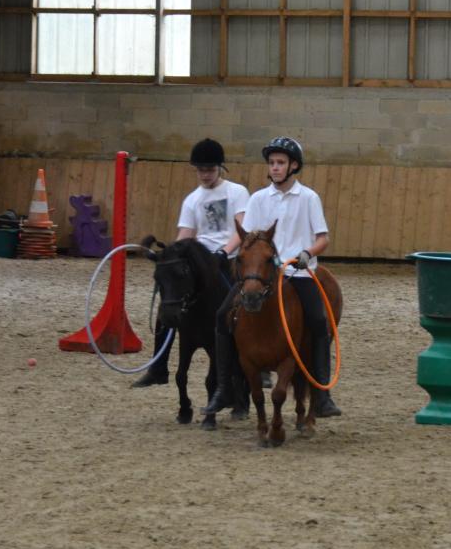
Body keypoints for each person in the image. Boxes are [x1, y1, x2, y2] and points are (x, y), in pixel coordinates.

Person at [204, 136, 341, 418]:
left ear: (293, 166)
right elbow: (248, 237)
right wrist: (232, 255)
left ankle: (323, 395)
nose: (275, 168)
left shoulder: (308, 198)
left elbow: (323, 238)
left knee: (318, 321)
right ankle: (225, 389)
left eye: (280, 163)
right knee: (221, 317)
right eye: (272, 163)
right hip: (263, 272)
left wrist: (307, 253)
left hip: (298, 271)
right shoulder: (258, 199)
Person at [133, 137, 249, 388]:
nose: (205, 175)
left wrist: (223, 252)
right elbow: (184, 236)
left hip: (226, 259)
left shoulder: (237, 192)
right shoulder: (192, 200)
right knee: (169, 307)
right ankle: (158, 367)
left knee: (241, 307)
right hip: (199, 262)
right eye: (200, 170)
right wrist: (170, 258)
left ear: (220, 168)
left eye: (209, 169)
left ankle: (253, 366)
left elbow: (242, 229)